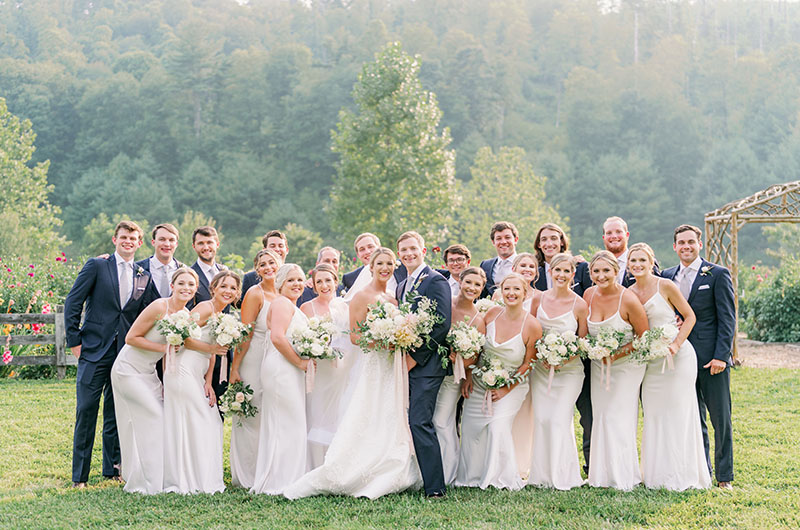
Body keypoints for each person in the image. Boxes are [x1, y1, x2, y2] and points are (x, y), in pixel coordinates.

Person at [284, 248, 423, 499]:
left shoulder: (393, 297)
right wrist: (383, 339)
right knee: (367, 412)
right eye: (380, 263)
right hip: (372, 364)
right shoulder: (361, 296)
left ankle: (390, 463)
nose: (385, 268)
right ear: (371, 266)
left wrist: (399, 338)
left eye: (389, 263)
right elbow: (356, 337)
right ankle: (351, 469)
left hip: (391, 365)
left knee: (390, 412)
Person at [65, 220, 158, 488]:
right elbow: (73, 301)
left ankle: (112, 469)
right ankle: (79, 477)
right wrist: (74, 340)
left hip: (125, 353)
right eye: (124, 237)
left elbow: (154, 308)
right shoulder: (97, 265)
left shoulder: (143, 274)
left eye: (133, 238)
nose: (129, 241)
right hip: (93, 350)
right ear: (115, 239)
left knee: (116, 411)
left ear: (140, 243)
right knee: (86, 410)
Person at [627, 243, 711, 490]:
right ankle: (656, 475)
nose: (637, 265)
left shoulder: (665, 285)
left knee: (678, 412)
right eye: (633, 261)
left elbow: (690, 316)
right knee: (654, 414)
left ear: (651, 261)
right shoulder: (628, 292)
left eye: (642, 260)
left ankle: (683, 474)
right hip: (651, 362)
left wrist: (675, 344)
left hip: (678, 358)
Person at [111, 267, 198, 494]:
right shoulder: (160, 306)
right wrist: (165, 347)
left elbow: (173, 356)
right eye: (181, 283)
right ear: (172, 286)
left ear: (196, 289)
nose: (185, 288)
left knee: (156, 420)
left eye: (191, 285)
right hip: (128, 369)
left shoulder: (187, 318)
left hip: (149, 373)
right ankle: (146, 483)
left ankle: (156, 477)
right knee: (155, 417)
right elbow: (131, 338)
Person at [662, 225, 735, 489]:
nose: (686, 247)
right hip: (680, 359)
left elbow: (728, 319)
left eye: (691, 242)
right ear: (674, 246)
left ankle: (724, 476)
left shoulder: (717, 274)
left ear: (699, 244)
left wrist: (721, 357)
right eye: (681, 242)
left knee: (720, 418)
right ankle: (702, 469)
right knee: (693, 417)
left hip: (709, 359)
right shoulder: (666, 276)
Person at [456, 273, 539, 490]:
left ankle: (497, 477)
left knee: (497, 426)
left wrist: (505, 389)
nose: (511, 293)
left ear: (525, 293)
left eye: (516, 289)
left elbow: (528, 364)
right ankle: (471, 476)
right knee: (471, 428)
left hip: (513, 385)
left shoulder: (532, 325)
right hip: (480, 380)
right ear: (500, 291)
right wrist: (470, 377)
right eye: (507, 288)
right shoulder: (491, 314)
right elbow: (479, 349)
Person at [163, 271, 238, 494]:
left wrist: (208, 381)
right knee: (204, 420)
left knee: (207, 420)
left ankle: (200, 476)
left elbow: (213, 350)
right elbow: (182, 337)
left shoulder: (223, 313)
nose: (228, 291)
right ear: (213, 287)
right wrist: (212, 349)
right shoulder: (205, 307)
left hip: (199, 372)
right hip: (183, 368)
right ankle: (188, 479)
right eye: (224, 286)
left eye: (233, 288)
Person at [583, 251, 649, 490]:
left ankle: (624, 476)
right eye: (596, 271)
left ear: (616, 271)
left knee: (617, 416)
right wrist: (595, 351)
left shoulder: (628, 299)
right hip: (600, 366)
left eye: (606, 271)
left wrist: (616, 354)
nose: (601, 276)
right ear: (590, 273)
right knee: (601, 416)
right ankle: (601, 475)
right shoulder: (588, 295)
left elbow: (643, 338)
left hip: (627, 366)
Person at [395, 231, 452, 497]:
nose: (408, 254)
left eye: (413, 249)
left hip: (427, 366)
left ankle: (435, 487)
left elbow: (441, 324)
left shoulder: (435, 280)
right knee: (408, 421)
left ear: (424, 250)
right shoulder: (400, 284)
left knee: (420, 421)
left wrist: (414, 359)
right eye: (403, 250)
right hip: (404, 362)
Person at [533, 223, 592, 472]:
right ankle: (542, 471)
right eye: (556, 270)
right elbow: (532, 333)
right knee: (542, 418)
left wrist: (564, 358)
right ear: (550, 271)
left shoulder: (580, 304)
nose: (561, 274)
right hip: (541, 368)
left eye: (566, 271)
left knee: (559, 418)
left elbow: (583, 341)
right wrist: (542, 355)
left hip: (570, 370)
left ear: (572, 274)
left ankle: (565, 472)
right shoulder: (538, 298)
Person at [251, 264, 312, 495]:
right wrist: (300, 362)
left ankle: (289, 476)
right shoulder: (281, 303)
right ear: (280, 283)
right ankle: (280, 481)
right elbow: (277, 337)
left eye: (300, 280)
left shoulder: (290, 305)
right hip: (281, 369)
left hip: (288, 368)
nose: (296, 284)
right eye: (290, 280)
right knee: (286, 423)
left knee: (289, 422)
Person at [228, 249, 283, 489]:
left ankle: (269, 469)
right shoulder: (254, 293)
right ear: (256, 270)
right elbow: (245, 335)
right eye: (262, 264)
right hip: (254, 357)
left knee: (272, 414)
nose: (268, 267)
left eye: (272, 262)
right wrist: (235, 368)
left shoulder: (284, 290)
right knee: (252, 415)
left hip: (278, 358)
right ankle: (247, 474)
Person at [433, 266, 486, 485]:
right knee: (429, 420)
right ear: (460, 282)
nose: (472, 288)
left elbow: (475, 356)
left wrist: (461, 361)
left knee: (442, 421)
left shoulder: (477, 320)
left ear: (482, 289)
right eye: (469, 282)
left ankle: (447, 472)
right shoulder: (446, 302)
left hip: (452, 377)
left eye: (477, 285)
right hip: (430, 371)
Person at [300, 263, 353, 468]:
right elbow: (302, 338)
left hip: (342, 369)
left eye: (328, 280)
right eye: (319, 282)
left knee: (339, 412)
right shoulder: (307, 308)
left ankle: (337, 464)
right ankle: (316, 464)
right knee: (317, 411)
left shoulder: (345, 307)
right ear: (313, 286)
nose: (324, 285)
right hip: (320, 368)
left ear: (336, 282)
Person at [188, 226, 230, 403]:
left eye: (209, 242)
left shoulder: (225, 272)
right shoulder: (189, 275)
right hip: (198, 350)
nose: (206, 247)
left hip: (221, 351)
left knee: (218, 403)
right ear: (194, 246)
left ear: (217, 244)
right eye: (201, 243)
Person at [341, 232, 406, 300]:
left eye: (370, 246)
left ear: (380, 247)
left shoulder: (401, 266)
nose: (367, 251)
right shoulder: (350, 278)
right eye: (362, 249)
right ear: (358, 255)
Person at [533, 223, 592, 296]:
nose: (549, 244)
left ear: (562, 242)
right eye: (544, 239)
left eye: (553, 238)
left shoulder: (581, 268)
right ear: (539, 244)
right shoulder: (534, 273)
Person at [136, 223, 182, 298]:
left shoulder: (184, 270)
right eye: (162, 239)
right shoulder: (137, 269)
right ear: (153, 242)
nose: (167, 244)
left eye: (171, 240)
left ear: (176, 244)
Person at [241, 230, 289, 297]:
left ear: (287, 250)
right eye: (272, 246)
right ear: (264, 250)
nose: (277, 249)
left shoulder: (293, 275)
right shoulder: (250, 278)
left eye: (280, 246)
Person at [480, 221, 519, 298]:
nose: (503, 242)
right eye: (499, 238)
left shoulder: (526, 265)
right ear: (493, 242)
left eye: (507, 237)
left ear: (515, 240)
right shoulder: (485, 265)